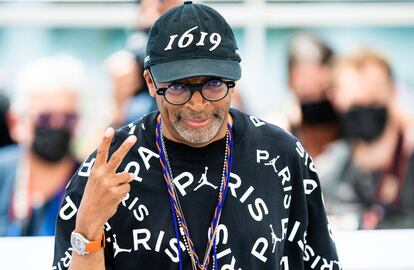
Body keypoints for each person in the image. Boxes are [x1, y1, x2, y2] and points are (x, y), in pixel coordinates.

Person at [53, 2, 341, 270]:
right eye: (178, 88)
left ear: (234, 80)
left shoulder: (283, 156)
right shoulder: (108, 170)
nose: (198, 103)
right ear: (151, 83)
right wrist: (88, 230)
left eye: (214, 84)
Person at [330, 49, 414, 229]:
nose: (365, 111)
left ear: (393, 92)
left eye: (373, 102)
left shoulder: (408, 155)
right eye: (356, 105)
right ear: (336, 100)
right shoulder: (331, 168)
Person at [0, 56, 83, 236]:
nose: (57, 126)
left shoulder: (90, 184)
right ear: (16, 122)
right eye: (45, 118)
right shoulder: (3, 172)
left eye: (68, 118)